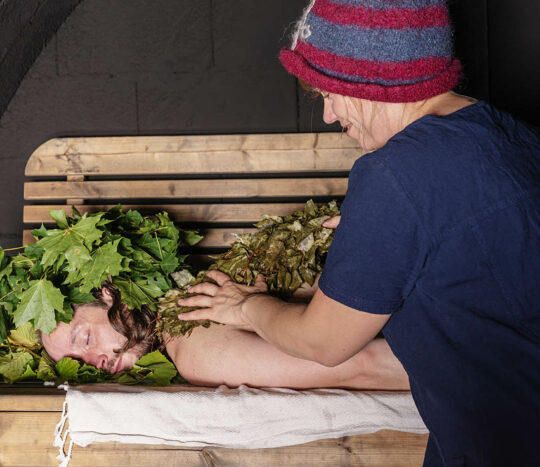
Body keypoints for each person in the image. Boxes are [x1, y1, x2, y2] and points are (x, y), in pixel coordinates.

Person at [175, 1, 540, 465]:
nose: (327, 114)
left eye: (328, 92)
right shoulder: (512, 135)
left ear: (369, 80)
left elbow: (322, 343)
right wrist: (385, 232)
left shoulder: (394, 173)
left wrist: (246, 306)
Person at [41, 280, 410, 390]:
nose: (96, 364)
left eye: (85, 341)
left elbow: (362, 365)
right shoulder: (195, 305)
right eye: (80, 366)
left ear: (108, 294)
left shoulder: (196, 353)